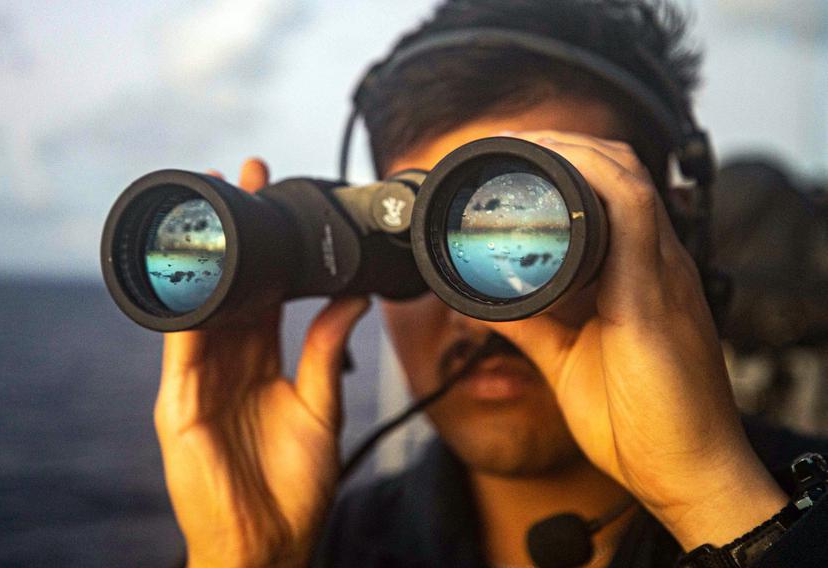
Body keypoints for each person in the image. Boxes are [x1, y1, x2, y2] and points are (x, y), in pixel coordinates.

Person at [152, 1, 828, 566]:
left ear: (678, 243)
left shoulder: (792, 511)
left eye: (532, 239)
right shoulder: (329, 548)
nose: (477, 316)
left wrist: (716, 499)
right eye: (422, 249)